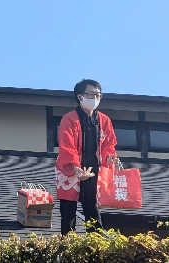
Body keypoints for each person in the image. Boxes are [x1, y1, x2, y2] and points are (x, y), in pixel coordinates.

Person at [55, 78, 117, 235]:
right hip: (71, 168)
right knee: (68, 208)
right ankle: (68, 244)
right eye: (91, 94)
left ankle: (96, 242)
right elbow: (66, 146)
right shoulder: (69, 119)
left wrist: (109, 156)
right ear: (80, 96)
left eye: (98, 95)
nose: (95, 98)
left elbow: (109, 144)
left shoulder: (104, 120)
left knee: (92, 207)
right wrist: (76, 168)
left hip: (93, 169)